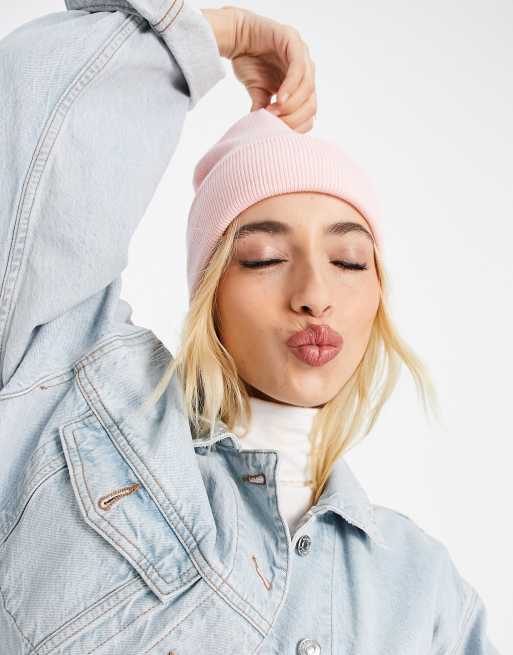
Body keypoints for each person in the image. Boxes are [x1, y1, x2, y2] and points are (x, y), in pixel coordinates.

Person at [0, 2, 500, 654]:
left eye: (350, 261)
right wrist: (205, 35)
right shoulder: (80, 404)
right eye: (264, 258)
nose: (314, 296)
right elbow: (29, 154)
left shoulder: (426, 592)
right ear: (210, 291)